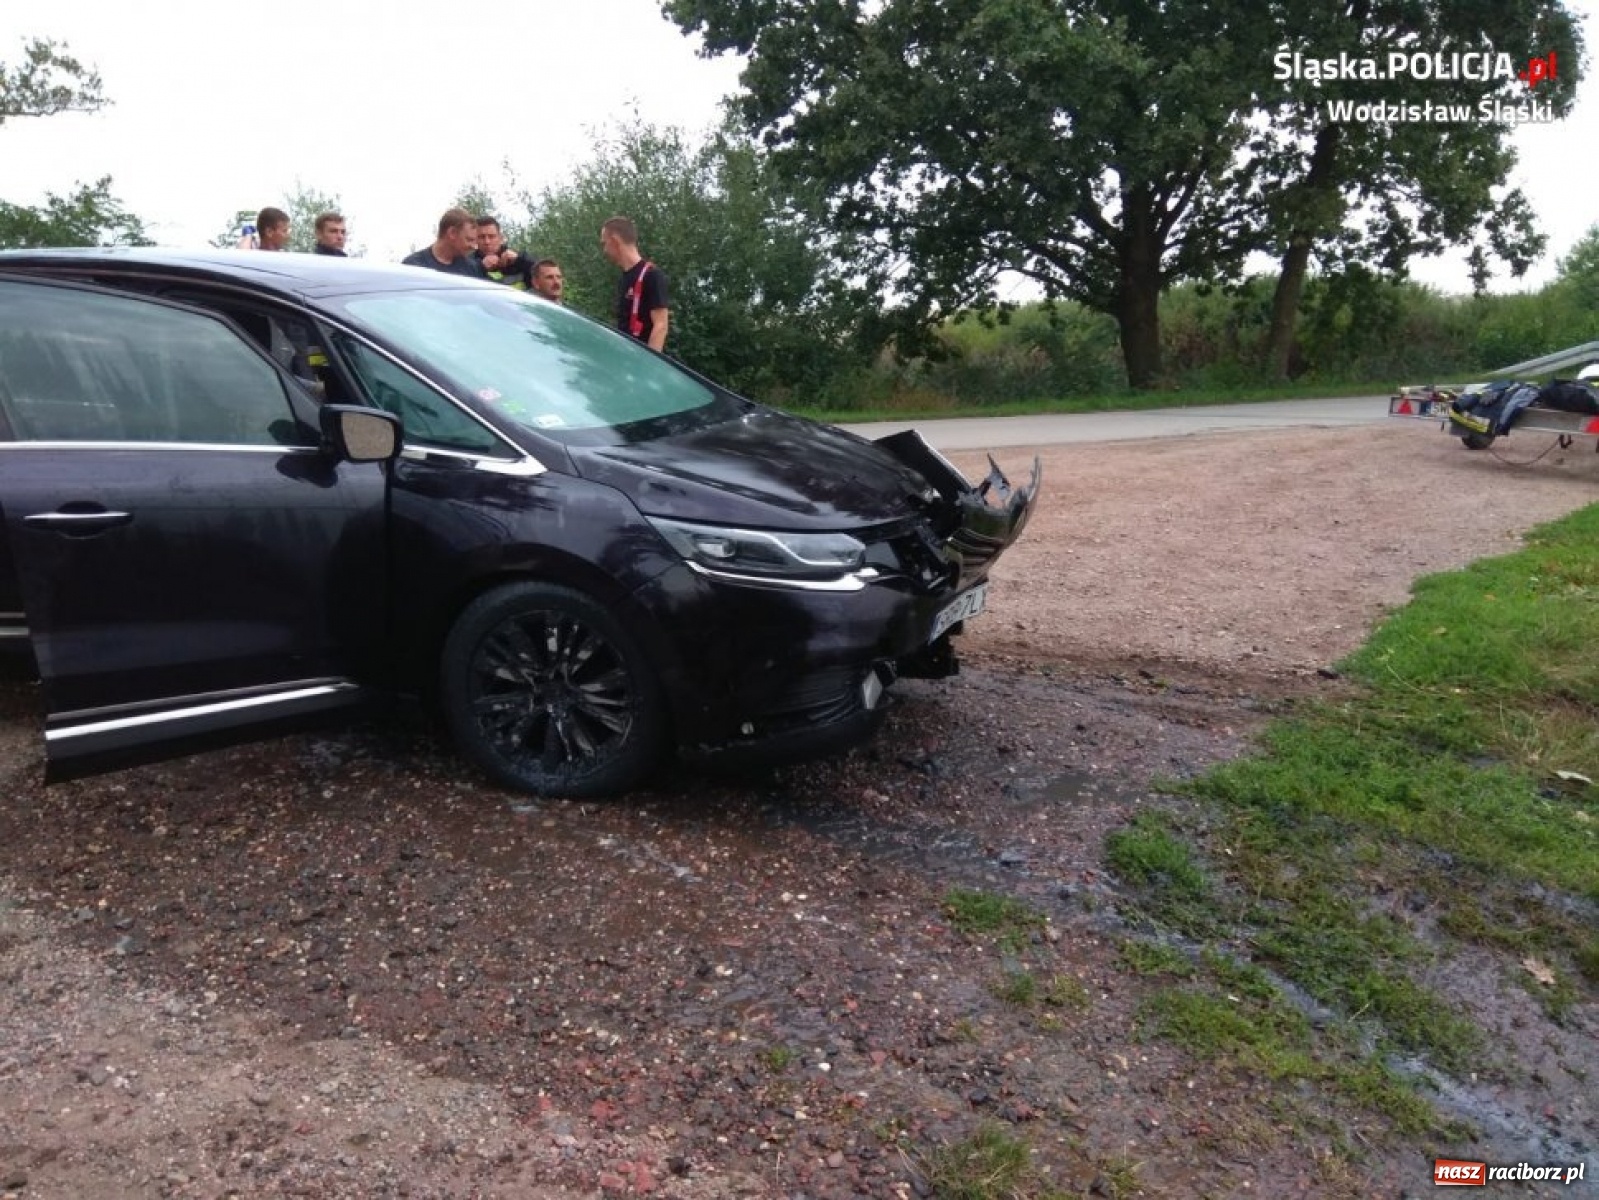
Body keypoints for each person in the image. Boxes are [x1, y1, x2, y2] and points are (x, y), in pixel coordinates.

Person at [600, 216, 668, 351]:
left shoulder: (651, 275)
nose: (604, 250)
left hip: (642, 362)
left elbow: (661, 325)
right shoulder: (624, 279)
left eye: (604, 244)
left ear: (614, 241)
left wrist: (649, 366)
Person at [401, 208, 488, 278]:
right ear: (452, 233)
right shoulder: (414, 266)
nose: (474, 247)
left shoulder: (472, 269)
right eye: (469, 240)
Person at [474, 216, 533, 288]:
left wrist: (519, 261)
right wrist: (480, 267)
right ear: (475, 240)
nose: (487, 242)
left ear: (500, 238)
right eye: (482, 237)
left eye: (491, 236)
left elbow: (544, 275)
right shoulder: (469, 263)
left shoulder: (519, 258)